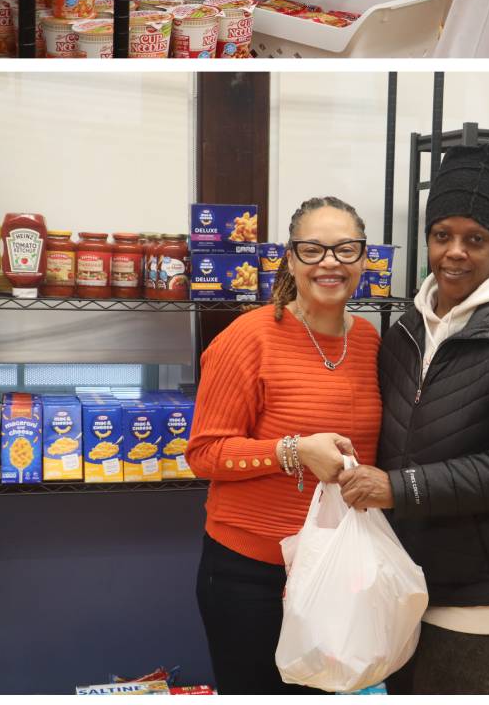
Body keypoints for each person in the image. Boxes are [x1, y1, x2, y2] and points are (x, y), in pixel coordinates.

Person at [338, 144, 489, 695]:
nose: (454, 253)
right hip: (416, 577)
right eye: (442, 234)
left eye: (476, 239)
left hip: (487, 590)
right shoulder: (406, 330)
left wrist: (399, 487)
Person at [189, 197, 383, 694]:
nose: (330, 263)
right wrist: (292, 451)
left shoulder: (370, 341)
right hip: (250, 576)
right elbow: (204, 454)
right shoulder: (248, 338)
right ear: (290, 259)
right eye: (313, 250)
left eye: (346, 249)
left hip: (338, 568)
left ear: (364, 260)